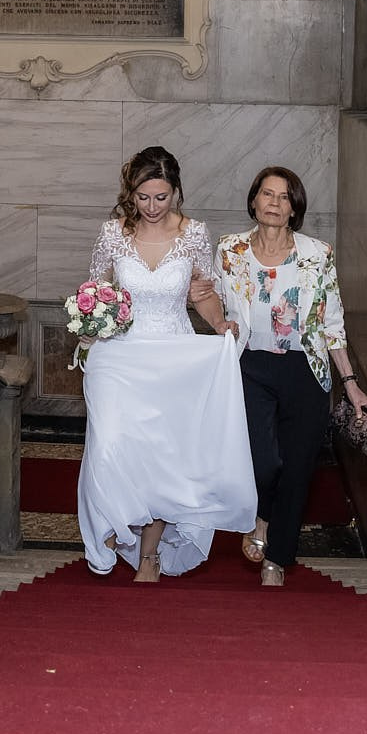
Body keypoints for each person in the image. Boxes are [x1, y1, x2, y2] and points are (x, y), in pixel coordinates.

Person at [74, 146, 257, 582]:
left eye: (161, 197)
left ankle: (150, 554)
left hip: (175, 353)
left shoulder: (194, 234)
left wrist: (221, 324)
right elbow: (96, 290)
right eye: (142, 198)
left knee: (165, 456)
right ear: (130, 193)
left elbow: (202, 292)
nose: (152, 207)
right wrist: (88, 323)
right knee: (111, 442)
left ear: (175, 192)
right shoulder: (112, 234)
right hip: (118, 356)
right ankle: (116, 523)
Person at [213, 166, 367, 587]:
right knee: (262, 461)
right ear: (253, 201)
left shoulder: (317, 254)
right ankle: (262, 512)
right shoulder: (229, 251)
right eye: (267, 194)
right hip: (250, 366)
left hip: (306, 369)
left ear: (294, 208)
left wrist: (352, 384)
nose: (274, 203)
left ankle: (277, 558)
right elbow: (212, 300)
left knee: (298, 467)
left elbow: (332, 323)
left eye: (284, 197)